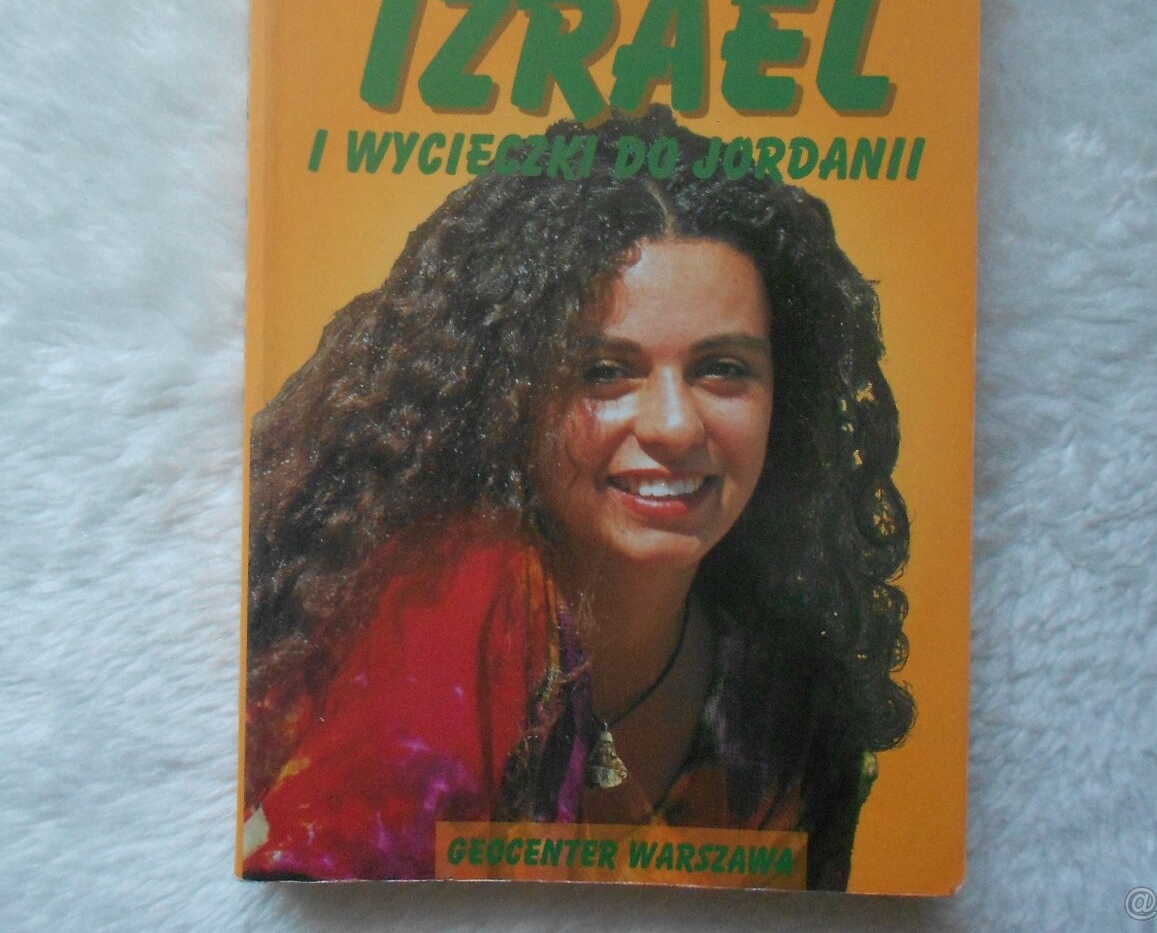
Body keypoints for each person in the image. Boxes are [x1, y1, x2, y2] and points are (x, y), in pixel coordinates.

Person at [241, 107, 914, 889]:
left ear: (783, 398)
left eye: (723, 369)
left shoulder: (789, 693)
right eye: (604, 372)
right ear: (512, 397)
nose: (673, 425)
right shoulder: (452, 599)